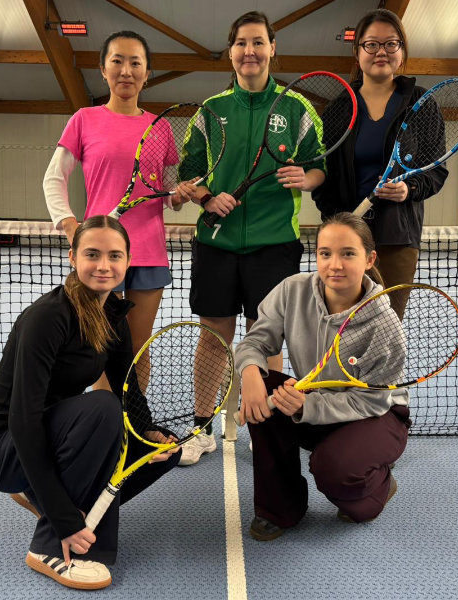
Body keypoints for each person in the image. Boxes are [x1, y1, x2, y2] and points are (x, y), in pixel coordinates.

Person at [0, 217, 180, 589]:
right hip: (2, 446)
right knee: (101, 410)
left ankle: (49, 497)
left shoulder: (113, 314)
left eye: (114, 255)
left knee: (164, 447)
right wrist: (64, 516)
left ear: (127, 261)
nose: (103, 265)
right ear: (72, 257)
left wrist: (149, 433)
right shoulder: (47, 318)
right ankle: (52, 543)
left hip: (49, 434)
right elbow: (23, 421)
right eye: (92, 254)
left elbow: (125, 386)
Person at [172, 11, 326, 466]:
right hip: (217, 243)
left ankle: (265, 424)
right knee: (214, 336)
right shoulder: (211, 111)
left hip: (273, 243)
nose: (250, 51)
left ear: (272, 49)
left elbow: (319, 166)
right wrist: (204, 196)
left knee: (269, 340)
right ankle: (202, 427)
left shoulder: (297, 110)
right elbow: (188, 171)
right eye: (241, 43)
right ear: (232, 51)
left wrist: (307, 178)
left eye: (258, 42)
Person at [235, 212, 411, 540]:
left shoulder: (384, 324)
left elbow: (373, 399)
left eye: (348, 254)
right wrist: (249, 374)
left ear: (370, 259)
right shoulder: (293, 290)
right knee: (266, 394)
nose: (335, 264)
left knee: (334, 470)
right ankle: (279, 509)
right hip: (314, 402)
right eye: (325, 253)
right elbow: (256, 342)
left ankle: (378, 487)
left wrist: (306, 408)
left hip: (377, 415)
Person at [44, 30, 180, 390]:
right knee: (101, 347)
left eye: (136, 62)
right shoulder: (84, 119)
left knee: (137, 349)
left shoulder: (160, 127)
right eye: (117, 60)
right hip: (101, 253)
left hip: (148, 251)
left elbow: (165, 190)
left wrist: (177, 196)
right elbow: (53, 179)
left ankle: (133, 425)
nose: (126, 70)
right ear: (102, 69)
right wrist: (72, 226)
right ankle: (103, 426)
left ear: (147, 72)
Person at [313, 9, 448, 320]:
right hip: (347, 238)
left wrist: (408, 189)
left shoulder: (421, 104)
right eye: (371, 44)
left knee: (387, 327)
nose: (381, 52)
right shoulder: (337, 110)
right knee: (343, 325)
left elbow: (436, 171)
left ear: (402, 52)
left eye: (391, 44)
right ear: (357, 51)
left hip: (397, 237)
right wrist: (337, 222)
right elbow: (325, 176)